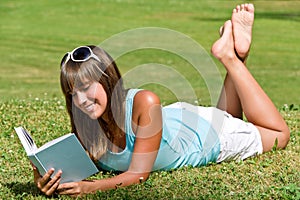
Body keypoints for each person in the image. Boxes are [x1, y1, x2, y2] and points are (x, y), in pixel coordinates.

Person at [32, 3, 290, 196]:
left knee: (278, 134)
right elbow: (76, 168)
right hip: (182, 123)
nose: (81, 100)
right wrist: (47, 178)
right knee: (228, 117)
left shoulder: (145, 102)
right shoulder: (87, 126)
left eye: (87, 88)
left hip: (208, 138)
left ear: (108, 80)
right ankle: (235, 53)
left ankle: (231, 58)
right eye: (72, 93)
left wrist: (92, 189)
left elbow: (139, 174)